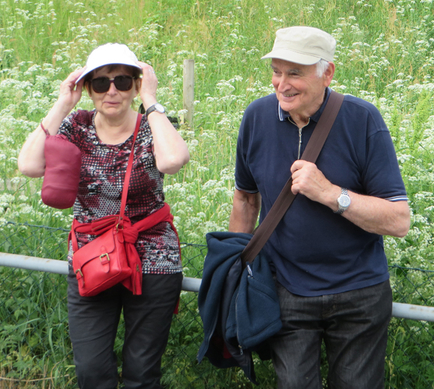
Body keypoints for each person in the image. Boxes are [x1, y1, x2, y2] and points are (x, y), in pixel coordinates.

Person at [228, 26, 411, 389]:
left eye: (295, 72)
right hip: (287, 291)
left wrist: (330, 193)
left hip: (359, 293)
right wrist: (236, 276)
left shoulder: (363, 120)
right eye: (277, 71)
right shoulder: (257, 118)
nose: (282, 84)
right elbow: (246, 199)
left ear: (327, 73)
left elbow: (398, 220)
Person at [17, 43, 190, 389]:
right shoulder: (76, 127)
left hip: (152, 258)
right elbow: (29, 165)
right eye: (100, 83)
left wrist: (151, 102)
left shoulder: (151, 126)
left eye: (123, 82)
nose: (112, 91)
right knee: (92, 371)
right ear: (87, 88)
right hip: (91, 257)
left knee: (141, 373)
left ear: (136, 86)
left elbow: (172, 160)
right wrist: (63, 104)